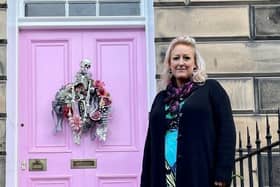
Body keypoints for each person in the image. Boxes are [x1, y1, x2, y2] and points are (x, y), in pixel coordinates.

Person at [141, 36, 236, 187]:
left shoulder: (211, 89)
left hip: (199, 173)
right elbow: (150, 144)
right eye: (176, 58)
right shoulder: (160, 99)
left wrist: (223, 172)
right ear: (170, 65)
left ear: (195, 64)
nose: (181, 63)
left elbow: (226, 132)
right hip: (163, 176)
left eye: (186, 58)